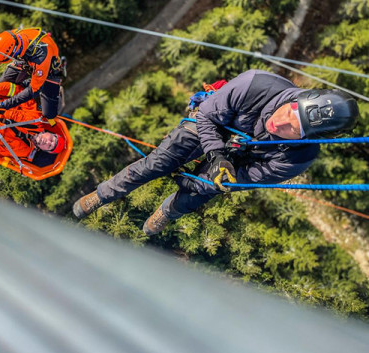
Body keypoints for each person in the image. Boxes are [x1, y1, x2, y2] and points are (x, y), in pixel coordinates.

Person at [72, 70, 359, 235]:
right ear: (301, 98)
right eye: (290, 112)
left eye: (292, 129)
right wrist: (216, 154)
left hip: (241, 158)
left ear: (308, 137)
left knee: (201, 192)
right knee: (157, 162)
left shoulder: (299, 157)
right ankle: (104, 193)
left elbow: (247, 177)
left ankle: (168, 211)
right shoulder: (257, 84)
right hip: (213, 125)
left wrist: (204, 180)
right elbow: (206, 116)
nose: (280, 122)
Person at [0, 28, 64, 119]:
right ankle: (25, 84)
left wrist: (4, 105)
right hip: (24, 61)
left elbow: (33, 90)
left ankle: (53, 89)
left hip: (48, 70)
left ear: (14, 53)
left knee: (49, 113)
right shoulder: (6, 42)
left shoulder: (41, 56)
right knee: (2, 85)